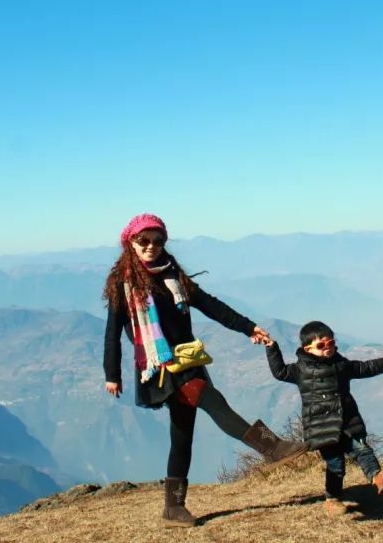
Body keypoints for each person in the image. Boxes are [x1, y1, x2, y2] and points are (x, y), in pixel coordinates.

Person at [103, 213, 308, 528]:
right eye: (143, 240)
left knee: (182, 434)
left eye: (158, 241)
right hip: (161, 367)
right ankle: (271, 446)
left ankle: (173, 508)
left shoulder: (173, 274)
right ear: (130, 242)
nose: (151, 247)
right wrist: (112, 374)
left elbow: (211, 305)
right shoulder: (123, 283)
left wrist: (248, 327)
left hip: (188, 359)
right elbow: (112, 331)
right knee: (212, 401)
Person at [266, 320, 383, 515]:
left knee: (362, 450)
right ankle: (332, 500)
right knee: (335, 464)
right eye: (321, 346)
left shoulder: (341, 365)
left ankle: (378, 478)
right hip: (322, 429)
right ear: (307, 348)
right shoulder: (300, 370)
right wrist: (272, 348)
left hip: (348, 422)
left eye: (331, 344)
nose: (327, 349)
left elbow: (366, 367)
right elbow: (280, 372)